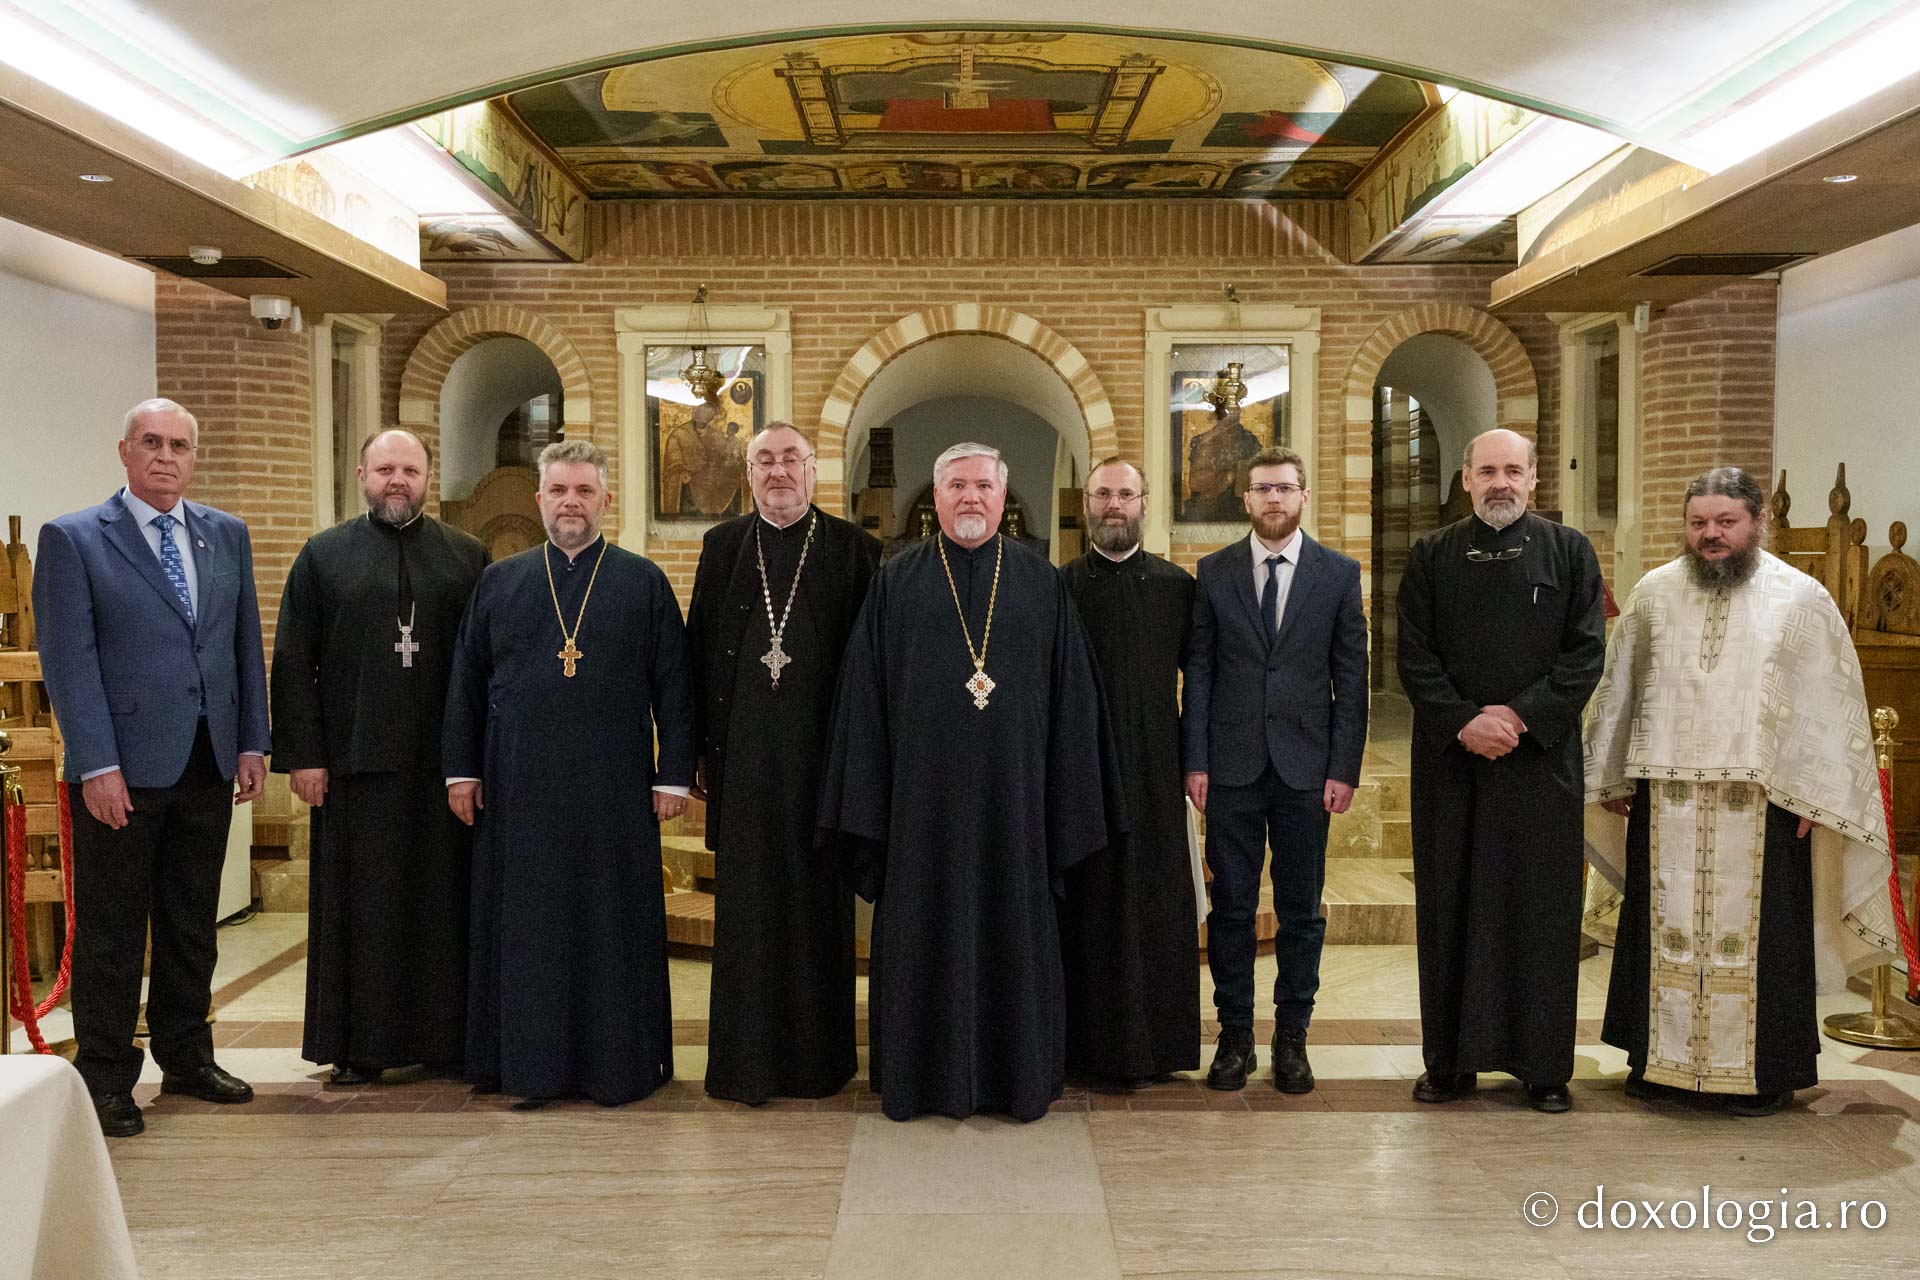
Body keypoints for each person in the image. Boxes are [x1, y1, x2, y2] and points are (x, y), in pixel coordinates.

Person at [1584, 466, 1899, 1116]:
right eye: (1699, 522)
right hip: (1664, 804)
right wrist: (1612, 773)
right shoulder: (1652, 593)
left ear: (1758, 523)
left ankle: (1761, 1075)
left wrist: (1821, 795)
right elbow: (1622, 687)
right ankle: (1660, 1067)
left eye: (1726, 522)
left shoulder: (1801, 599)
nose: (1711, 535)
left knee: (1765, 947)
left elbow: (1828, 702)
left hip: (1769, 810)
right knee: (1659, 935)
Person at [818, 442, 1117, 1121]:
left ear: (1003, 496)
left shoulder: (1043, 585)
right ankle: (921, 1077)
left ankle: (1019, 1076)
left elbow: (1074, 705)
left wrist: (1067, 803)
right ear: (937, 495)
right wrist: (872, 805)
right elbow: (864, 703)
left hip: (1019, 808)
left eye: (984, 485)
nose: (971, 497)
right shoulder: (896, 582)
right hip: (921, 812)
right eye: (956, 486)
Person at [33, 398, 269, 1137]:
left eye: (180, 445)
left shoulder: (224, 535)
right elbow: (69, 663)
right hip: (121, 772)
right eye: (152, 442)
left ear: (194, 457)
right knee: (110, 930)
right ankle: (103, 1078)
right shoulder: (75, 539)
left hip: (205, 759)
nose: (166, 456)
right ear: (125, 452)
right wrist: (95, 761)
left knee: (192, 922)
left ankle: (187, 1056)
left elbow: (241, 645)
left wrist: (253, 741)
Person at [443, 439, 694, 1106]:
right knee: (530, 926)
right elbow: (466, 680)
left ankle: (618, 1064)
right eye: (559, 491)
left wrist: (672, 776)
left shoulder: (642, 581)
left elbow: (674, 685)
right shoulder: (501, 580)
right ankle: (529, 1066)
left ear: (606, 498)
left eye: (584, 490)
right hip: (518, 786)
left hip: (614, 789)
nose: (571, 502)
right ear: (540, 500)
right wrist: (460, 770)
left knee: (609, 924)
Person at [1396, 428, 1605, 1114]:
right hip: (1453, 764)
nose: (1500, 482)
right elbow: (1415, 656)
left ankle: (1543, 1067)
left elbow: (1584, 655)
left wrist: (1517, 719)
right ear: (1465, 479)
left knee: (1540, 914)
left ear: (1534, 478)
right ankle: (1448, 1064)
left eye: (1512, 470)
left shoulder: (1571, 553)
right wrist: (1464, 720)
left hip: (1539, 766)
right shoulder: (1430, 555)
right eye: (1487, 470)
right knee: (1449, 910)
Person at [270, 429, 487, 1084]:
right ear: (362, 473)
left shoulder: (467, 556)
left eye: (411, 470)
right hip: (355, 768)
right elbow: (291, 660)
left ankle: (448, 1041)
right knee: (363, 913)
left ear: (429, 476)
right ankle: (360, 1046)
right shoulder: (323, 556)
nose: (398, 480)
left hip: (446, 769)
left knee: (446, 909)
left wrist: (479, 759)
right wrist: (305, 755)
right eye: (386, 468)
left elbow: (484, 667)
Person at [685, 422, 880, 1104]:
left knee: (816, 913)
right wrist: (692, 759)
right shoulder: (723, 547)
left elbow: (873, 674)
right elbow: (696, 656)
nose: (777, 471)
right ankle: (746, 1066)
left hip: (825, 770)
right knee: (747, 915)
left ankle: (819, 1064)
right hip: (741, 768)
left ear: (813, 469)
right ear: (748, 470)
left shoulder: (857, 551)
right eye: (764, 460)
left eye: (789, 459)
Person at [1183, 446, 1366, 1094]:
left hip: (1306, 770)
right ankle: (1235, 1037)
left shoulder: (1339, 575)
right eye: (1262, 489)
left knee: (1300, 912)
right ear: (1247, 498)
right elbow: (1199, 669)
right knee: (1230, 909)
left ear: (1304, 496)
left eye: (1285, 488)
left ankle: (1293, 1039)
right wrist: (1196, 758)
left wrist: (1344, 766)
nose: (1274, 499)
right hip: (1230, 768)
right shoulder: (1214, 571)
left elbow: (1352, 677)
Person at [1059, 456, 1201, 1085]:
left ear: (1146, 504)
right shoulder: (1057, 587)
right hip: (1077, 769)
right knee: (1085, 900)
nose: (1114, 505)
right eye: (1102, 495)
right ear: (1086, 504)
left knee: (1152, 903)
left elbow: (1199, 685)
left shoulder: (1178, 587)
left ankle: (1159, 1046)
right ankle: (1080, 1046)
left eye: (1125, 494)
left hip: (1154, 767)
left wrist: (1197, 763)